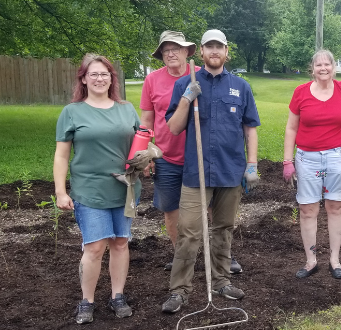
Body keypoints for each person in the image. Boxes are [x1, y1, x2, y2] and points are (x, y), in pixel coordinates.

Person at [161, 29, 260, 314]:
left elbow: (250, 127)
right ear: (201, 52)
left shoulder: (240, 86)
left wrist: (251, 165)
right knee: (189, 232)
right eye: (209, 47)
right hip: (196, 173)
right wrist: (186, 99)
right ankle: (179, 290)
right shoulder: (185, 83)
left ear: (227, 52)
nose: (214, 51)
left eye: (219, 47)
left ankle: (221, 281)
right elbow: (174, 127)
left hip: (231, 171)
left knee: (223, 229)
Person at [139, 31, 243, 274]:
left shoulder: (202, 75)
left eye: (176, 48)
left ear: (188, 52)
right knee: (172, 210)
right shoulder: (152, 80)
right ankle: (184, 258)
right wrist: (144, 152)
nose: (171, 53)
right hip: (167, 158)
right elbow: (146, 121)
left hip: (203, 157)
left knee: (212, 209)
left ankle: (219, 256)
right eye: (165, 50)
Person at [53, 53, 139, 324]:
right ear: (84, 79)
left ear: (112, 78)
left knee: (121, 243)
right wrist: (60, 191)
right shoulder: (72, 112)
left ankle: (117, 296)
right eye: (94, 74)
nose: (100, 78)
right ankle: (86, 301)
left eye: (105, 74)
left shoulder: (126, 108)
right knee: (94, 247)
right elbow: (61, 156)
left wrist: (146, 159)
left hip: (124, 189)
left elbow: (140, 144)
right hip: (89, 189)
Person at [283, 49, 341, 280]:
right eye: (318, 65)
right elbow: (291, 127)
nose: (323, 69)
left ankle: (334, 260)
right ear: (312, 68)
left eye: (327, 65)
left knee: (335, 207)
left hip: (337, 157)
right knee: (307, 209)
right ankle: (311, 261)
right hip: (307, 158)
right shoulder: (301, 92)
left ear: (334, 67)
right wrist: (287, 160)